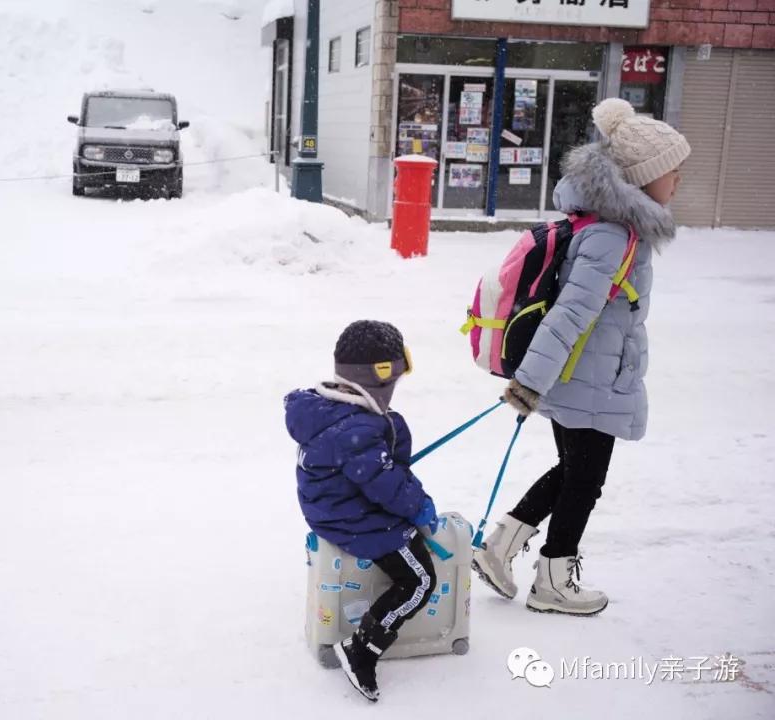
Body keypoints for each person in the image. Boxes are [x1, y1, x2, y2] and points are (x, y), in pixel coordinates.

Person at [472, 98, 691, 616]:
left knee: (574, 472)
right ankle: (553, 579)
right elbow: (570, 314)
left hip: (582, 378)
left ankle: (500, 547)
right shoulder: (612, 236)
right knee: (584, 482)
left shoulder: (612, 229)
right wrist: (528, 384)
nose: (678, 182)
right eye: (672, 173)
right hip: (585, 379)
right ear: (641, 179)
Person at [284, 320, 438, 702]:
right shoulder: (359, 429)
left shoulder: (328, 412)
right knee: (419, 581)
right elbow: (386, 486)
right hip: (357, 519)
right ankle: (362, 648)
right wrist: (419, 508)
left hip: (330, 509)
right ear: (379, 379)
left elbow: (376, 471)